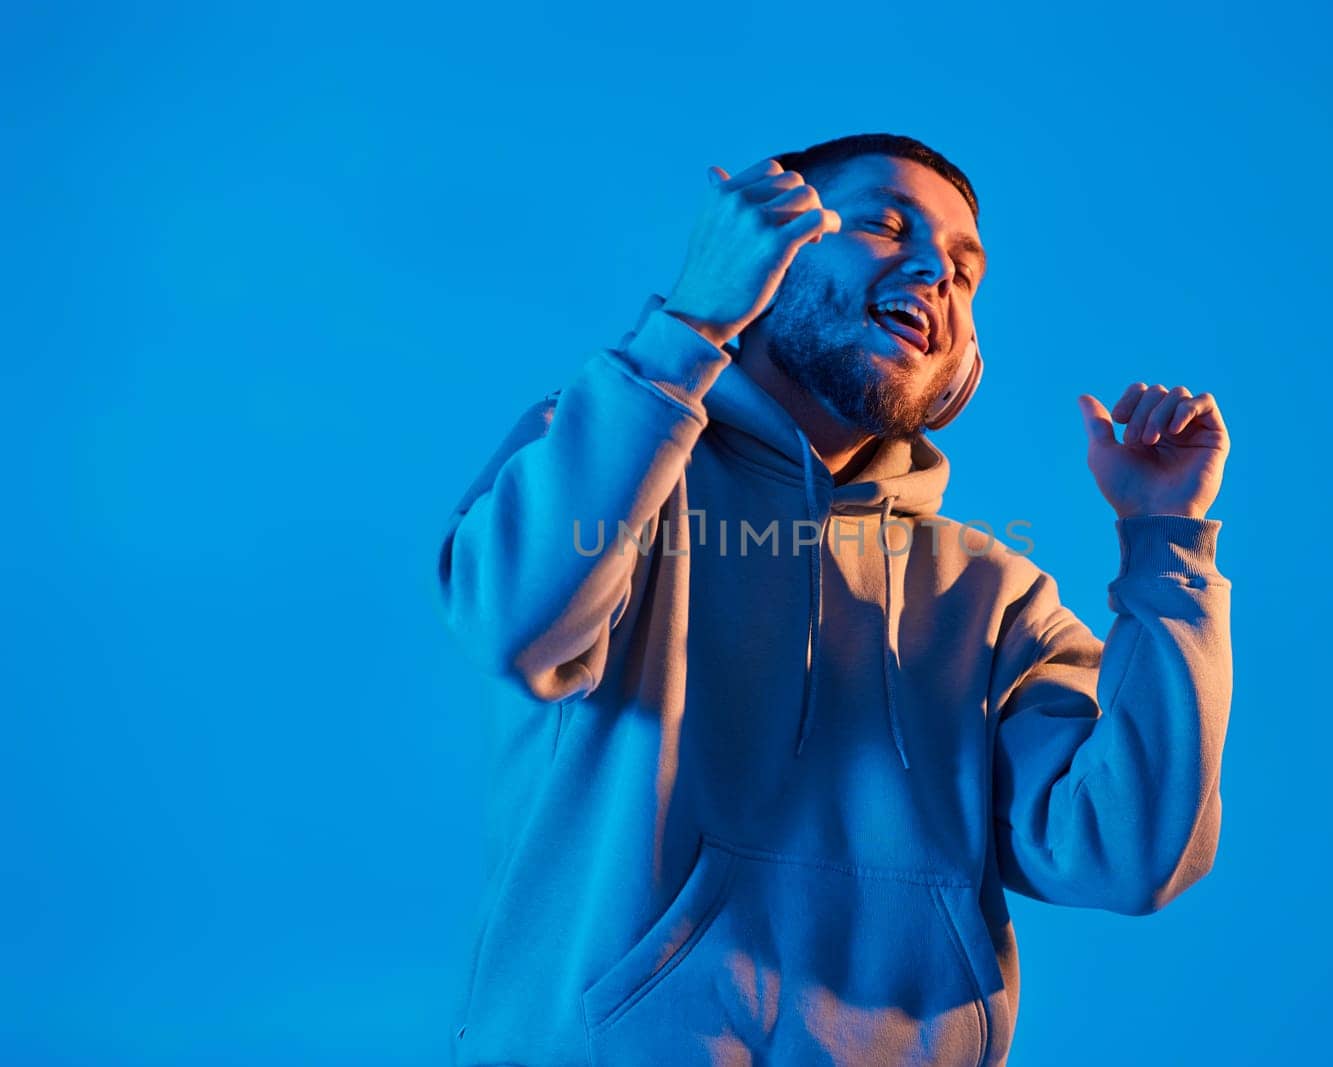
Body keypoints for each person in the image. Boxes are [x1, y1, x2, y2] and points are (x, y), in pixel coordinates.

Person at [434, 132, 1233, 1066]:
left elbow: (1126, 849)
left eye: (965, 272)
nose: (936, 270)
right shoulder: (607, 458)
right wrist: (691, 322)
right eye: (886, 225)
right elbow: (517, 622)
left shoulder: (994, 596)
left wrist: (1167, 542)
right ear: (765, 256)